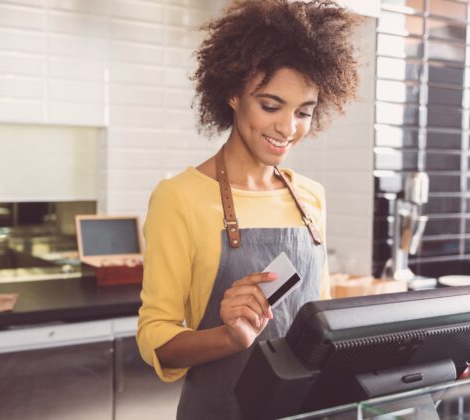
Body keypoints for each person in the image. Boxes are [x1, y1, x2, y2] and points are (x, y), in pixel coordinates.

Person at [137, 1, 361, 418]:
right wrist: (228, 337)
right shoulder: (179, 197)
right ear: (233, 94)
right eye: (271, 106)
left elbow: (322, 324)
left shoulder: (310, 196)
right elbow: (156, 340)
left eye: (304, 112)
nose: (287, 128)